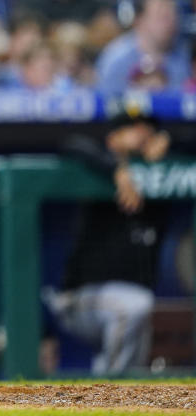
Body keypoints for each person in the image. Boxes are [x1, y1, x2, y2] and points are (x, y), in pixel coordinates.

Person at [47, 105, 171, 375]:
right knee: (136, 305)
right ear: (112, 140)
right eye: (132, 129)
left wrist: (170, 149)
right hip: (80, 299)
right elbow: (72, 144)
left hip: (129, 303)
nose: (142, 135)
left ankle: (116, 397)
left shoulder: (163, 173)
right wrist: (117, 170)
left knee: (136, 367)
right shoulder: (102, 169)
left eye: (147, 130)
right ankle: (107, 390)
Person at [96, 0, 190, 94]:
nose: (170, 22)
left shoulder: (185, 57)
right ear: (139, 20)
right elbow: (105, 103)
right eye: (162, 17)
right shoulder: (116, 60)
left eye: (173, 15)